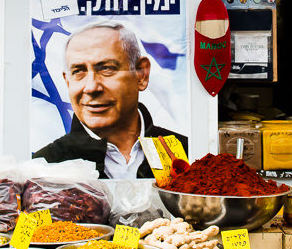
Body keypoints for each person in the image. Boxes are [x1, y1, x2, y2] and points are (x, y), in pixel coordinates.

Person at [34, 20, 187, 179]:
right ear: (67, 81)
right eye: (79, 71)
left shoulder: (187, 157)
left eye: (107, 68)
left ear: (141, 74)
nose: (91, 87)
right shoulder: (45, 168)